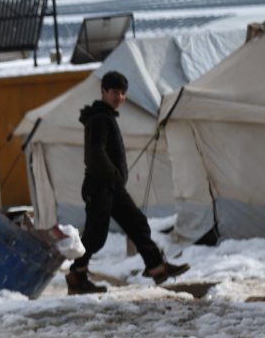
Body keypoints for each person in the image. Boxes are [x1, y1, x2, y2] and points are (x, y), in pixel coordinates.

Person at [66, 70, 189, 295]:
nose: (119, 97)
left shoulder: (106, 116)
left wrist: (115, 179)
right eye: (114, 92)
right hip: (101, 186)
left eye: (122, 93)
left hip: (112, 187)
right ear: (104, 92)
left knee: (137, 223)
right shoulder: (100, 118)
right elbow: (94, 153)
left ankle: (156, 268)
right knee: (95, 236)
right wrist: (114, 174)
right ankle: (77, 277)